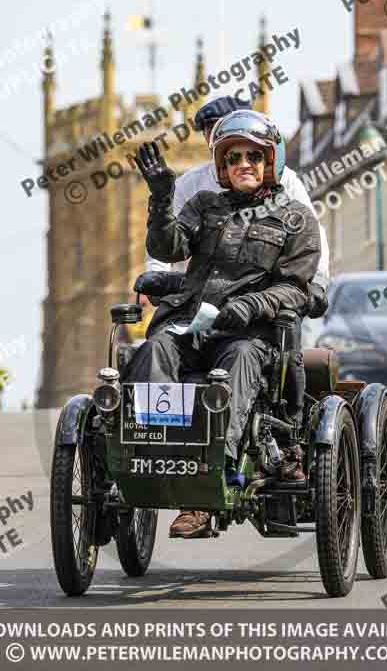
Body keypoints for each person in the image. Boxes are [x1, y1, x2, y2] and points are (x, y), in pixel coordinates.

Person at [129, 109, 321, 538]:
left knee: (237, 360)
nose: (243, 165)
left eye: (253, 156)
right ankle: (155, 452)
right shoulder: (204, 205)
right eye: (233, 158)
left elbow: (297, 288)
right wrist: (161, 198)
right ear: (223, 166)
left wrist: (253, 304)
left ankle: (210, 481)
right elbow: (169, 245)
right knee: (154, 347)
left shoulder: (295, 219)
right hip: (193, 324)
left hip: (251, 335)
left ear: (270, 161)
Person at [146, 95, 330, 313]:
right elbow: (168, 237)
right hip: (204, 294)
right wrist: (155, 273)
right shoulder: (191, 185)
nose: (243, 164)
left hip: (266, 297)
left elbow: (309, 232)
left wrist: (318, 281)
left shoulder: (283, 178)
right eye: (212, 130)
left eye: (253, 156)